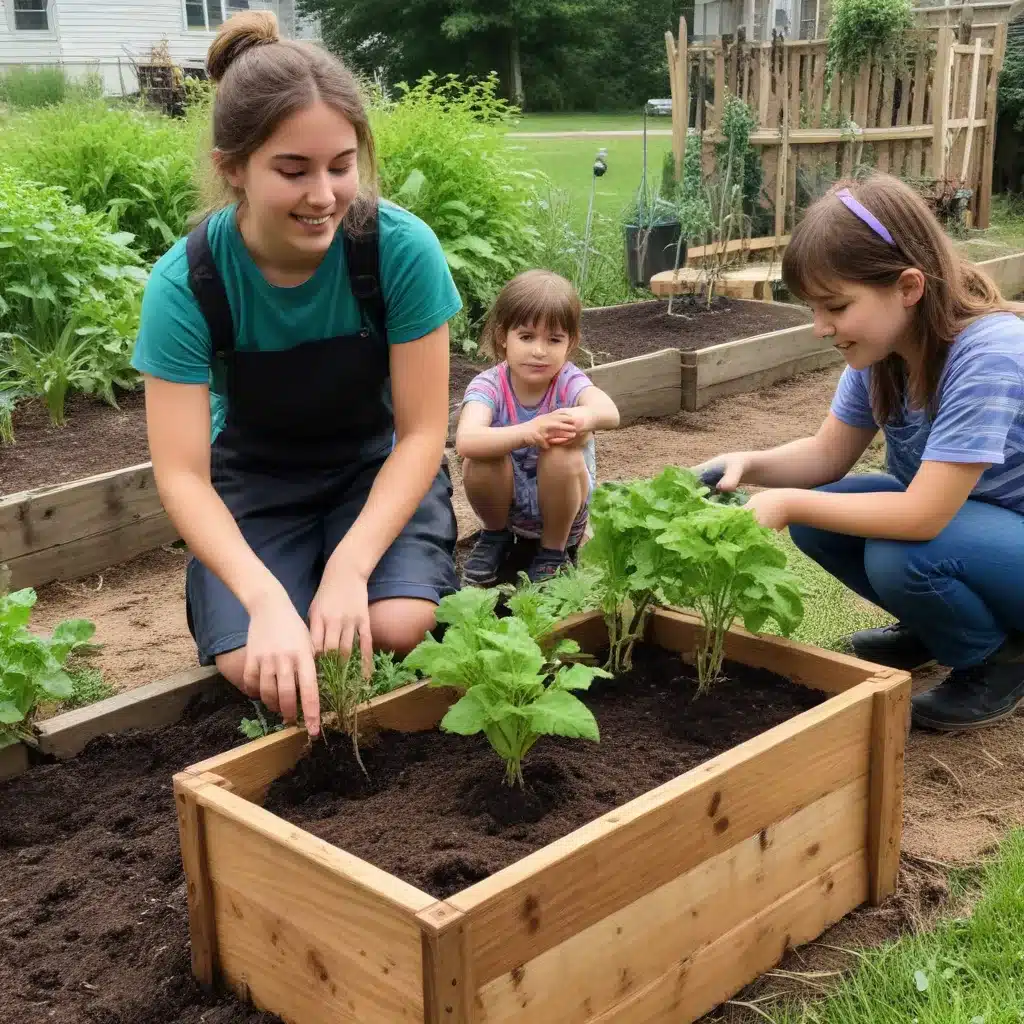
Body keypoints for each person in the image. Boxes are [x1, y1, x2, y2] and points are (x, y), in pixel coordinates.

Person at [131, 11, 462, 737]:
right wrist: (263, 599)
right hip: (255, 483)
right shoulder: (188, 284)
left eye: (341, 165)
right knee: (260, 665)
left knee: (398, 625)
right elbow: (183, 476)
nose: (323, 196)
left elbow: (421, 434)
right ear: (233, 169)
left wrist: (348, 570)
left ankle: (351, 572)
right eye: (292, 170)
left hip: (371, 469)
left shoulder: (397, 252)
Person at [695, 173, 1024, 733]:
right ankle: (934, 628)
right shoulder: (881, 353)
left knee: (901, 553)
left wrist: (787, 504)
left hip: (1003, 536)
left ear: (909, 287)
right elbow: (826, 456)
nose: (822, 328)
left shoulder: (989, 353)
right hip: (978, 536)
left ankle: (1000, 661)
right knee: (824, 516)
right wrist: (750, 464)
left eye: (836, 306)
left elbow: (923, 515)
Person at [455, 270, 620, 585]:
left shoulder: (568, 380)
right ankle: (494, 536)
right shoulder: (489, 385)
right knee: (481, 456)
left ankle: (553, 551)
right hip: (509, 507)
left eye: (554, 339)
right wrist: (529, 431)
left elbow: (609, 411)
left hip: (562, 511)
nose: (540, 351)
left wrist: (584, 418)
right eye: (527, 337)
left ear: (570, 343)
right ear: (504, 337)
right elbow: (466, 440)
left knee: (561, 450)